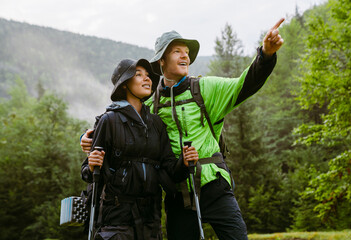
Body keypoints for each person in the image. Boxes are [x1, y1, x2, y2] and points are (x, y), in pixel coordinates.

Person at [81, 18, 284, 240]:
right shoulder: (150, 104)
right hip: (176, 195)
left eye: (186, 52)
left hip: (214, 186)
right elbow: (120, 124)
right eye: (177, 51)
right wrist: (88, 138)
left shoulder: (206, 88)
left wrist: (265, 54)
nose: (185, 56)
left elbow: (245, 84)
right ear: (161, 61)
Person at [81, 58, 199, 240]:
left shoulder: (156, 124)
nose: (147, 79)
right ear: (124, 85)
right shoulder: (109, 120)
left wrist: (183, 163)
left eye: (148, 76)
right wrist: (91, 165)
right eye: (138, 75)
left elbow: (169, 169)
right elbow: (90, 173)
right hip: (117, 216)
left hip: (151, 218)